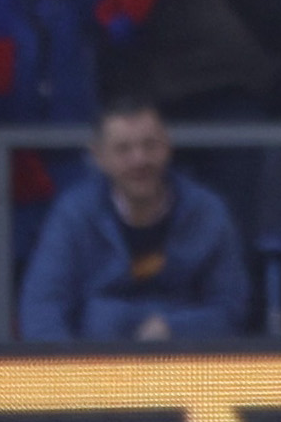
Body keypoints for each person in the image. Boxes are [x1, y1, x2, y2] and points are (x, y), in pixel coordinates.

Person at [20, 97, 250, 340]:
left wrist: (172, 329)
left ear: (167, 146)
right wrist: (70, 373)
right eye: (123, 149)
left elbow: (232, 311)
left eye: (150, 146)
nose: (139, 160)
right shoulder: (74, 214)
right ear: (98, 156)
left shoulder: (207, 212)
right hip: (96, 366)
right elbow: (41, 311)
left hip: (187, 366)